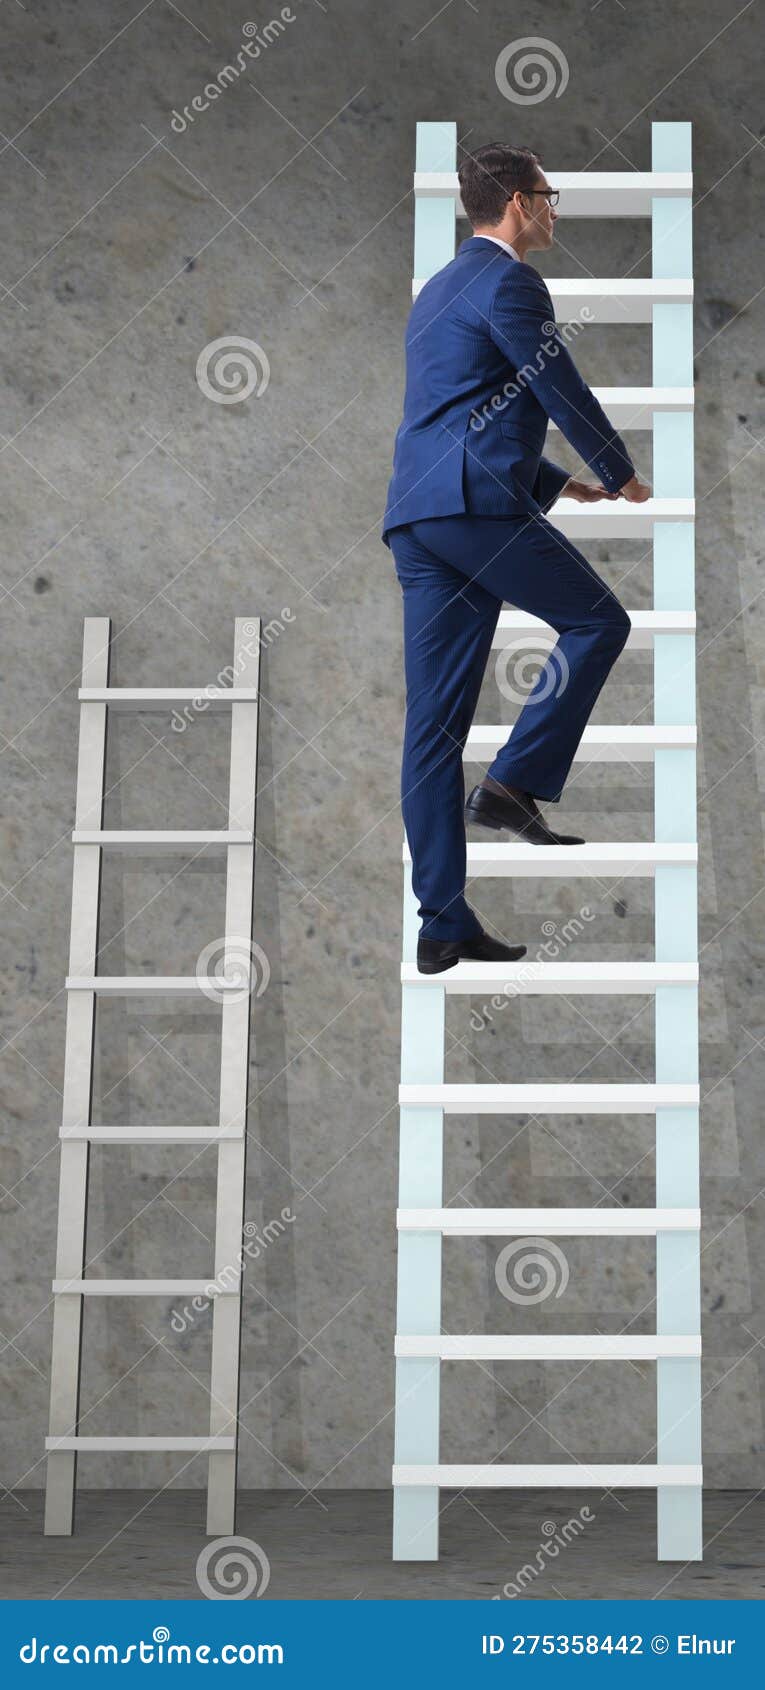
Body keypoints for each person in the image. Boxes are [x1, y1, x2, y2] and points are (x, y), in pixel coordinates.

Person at [382, 142, 651, 975]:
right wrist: (618, 468)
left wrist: (554, 481)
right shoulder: (510, 280)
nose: (554, 209)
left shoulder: (436, 291)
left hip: (421, 516)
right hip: (473, 508)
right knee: (598, 620)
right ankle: (511, 783)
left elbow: (451, 410)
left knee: (431, 731)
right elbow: (552, 378)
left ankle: (442, 922)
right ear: (516, 202)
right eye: (548, 195)